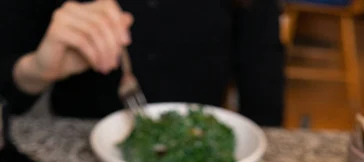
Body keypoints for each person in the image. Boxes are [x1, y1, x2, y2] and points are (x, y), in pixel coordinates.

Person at [0, 0, 284, 126]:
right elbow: (8, 89)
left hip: (203, 155)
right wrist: (35, 71)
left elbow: (263, 81)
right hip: (77, 144)